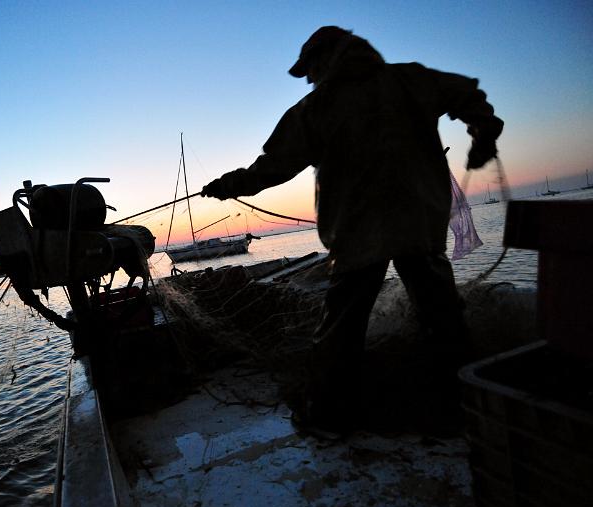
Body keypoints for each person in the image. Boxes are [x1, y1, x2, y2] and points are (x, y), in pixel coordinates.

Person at [201, 26, 503, 434]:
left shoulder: (315, 109)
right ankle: (470, 405)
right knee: (443, 316)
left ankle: (326, 417)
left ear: (329, 59)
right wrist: (483, 130)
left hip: (358, 235)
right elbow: (468, 94)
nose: (309, 78)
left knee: (340, 328)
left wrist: (225, 186)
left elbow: (271, 168)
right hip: (421, 226)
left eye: (310, 69)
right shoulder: (411, 79)